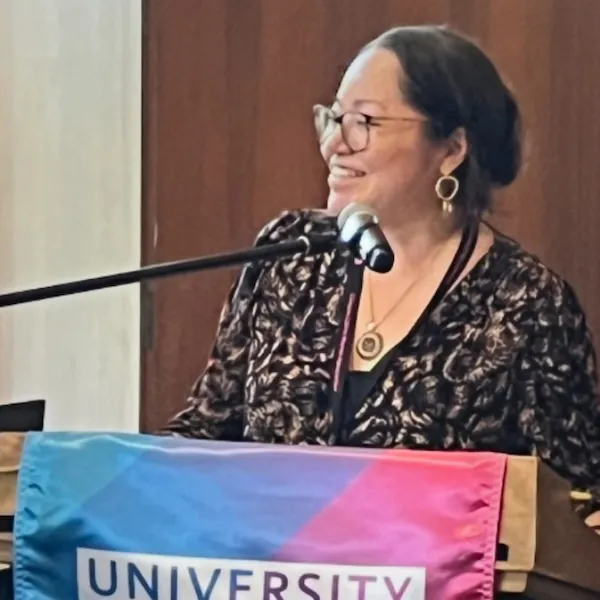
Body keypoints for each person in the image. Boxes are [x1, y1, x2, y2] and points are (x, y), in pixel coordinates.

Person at [160, 25, 600, 521]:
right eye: (334, 118)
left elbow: (578, 505)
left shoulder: (527, 303)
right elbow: (207, 428)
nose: (335, 145)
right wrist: (112, 482)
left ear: (451, 149)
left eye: (365, 121)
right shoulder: (290, 255)